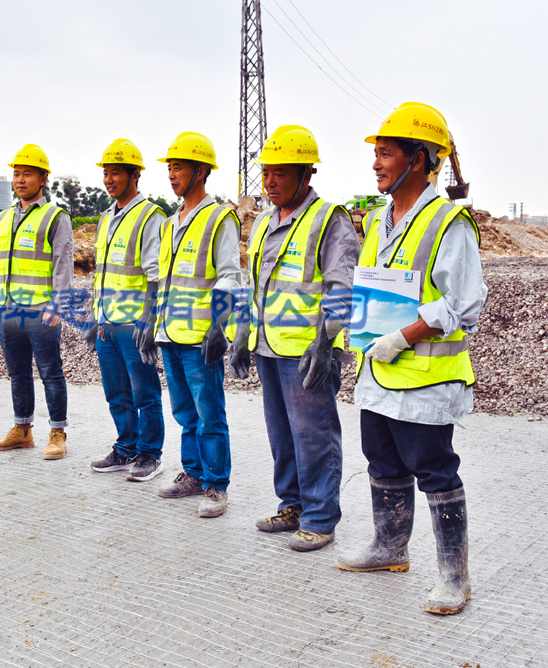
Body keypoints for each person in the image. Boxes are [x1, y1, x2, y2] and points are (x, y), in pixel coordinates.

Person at [336, 103, 487, 615]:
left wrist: (402, 336)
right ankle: (389, 547)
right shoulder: (379, 219)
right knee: (382, 460)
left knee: (434, 469)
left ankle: (454, 577)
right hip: (378, 369)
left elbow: (464, 302)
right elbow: (373, 289)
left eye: (385, 153)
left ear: (418, 159)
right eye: (376, 153)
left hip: (425, 372)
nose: (375, 163)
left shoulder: (449, 221)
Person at [228, 125, 358, 551]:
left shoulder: (328, 219)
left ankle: (321, 517)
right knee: (282, 433)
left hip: (308, 352)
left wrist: (326, 342)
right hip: (268, 346)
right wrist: (244, 331)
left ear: (307, 174)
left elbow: (342, 287)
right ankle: (293, 505)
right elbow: (256, 284)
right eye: (266, 172)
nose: (269, 181)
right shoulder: (265, 221)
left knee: (314, 434)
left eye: (280, 173)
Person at [153, 132, 241, 518]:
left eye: (179, 167)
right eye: (169, 167)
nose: (172, 174)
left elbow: (229, 276)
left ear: (201, 171)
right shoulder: (171, 223)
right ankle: (192, 472)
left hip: (200, 336)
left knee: (209, 413)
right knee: (185, 412)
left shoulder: (220, 217)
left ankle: (216, 484)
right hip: (171, 331)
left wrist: (219, 327)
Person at [85, 139, 166, 482]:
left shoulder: (150, 216)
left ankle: (150, 453)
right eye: (106, 173)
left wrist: (148, 320)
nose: (108, 180)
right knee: (116, 392)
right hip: (107, 322)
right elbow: (103, 273)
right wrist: (95, 317)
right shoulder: (105, 218)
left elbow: (154, 275)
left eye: (115, 173)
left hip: (134, 323)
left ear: (135, 175)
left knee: (144, 391)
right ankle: (126, 446)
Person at [0, 144, 74, 460]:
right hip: (9, 309)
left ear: (42, 178)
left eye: (28, 174)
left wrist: (58, 303)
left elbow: (64, 263)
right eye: (17, 174)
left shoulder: (55, 217)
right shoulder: (3, 219)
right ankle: (22, 430)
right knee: (18, 372)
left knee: (51, 371)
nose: (20, 180)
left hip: (41, 308)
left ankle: (57, 432)